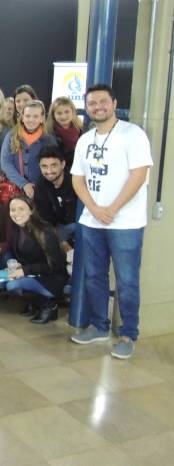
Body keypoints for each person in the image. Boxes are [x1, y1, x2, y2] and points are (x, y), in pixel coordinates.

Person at [69, 84, 152, 358]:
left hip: (125, 223)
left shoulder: (133, 134)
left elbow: (138, 176)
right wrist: (95, 208)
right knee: (94, 276)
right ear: (86, 107)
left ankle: (128, 334)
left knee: (127, 280)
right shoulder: (85, 139)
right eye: (92, 103)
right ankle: (99, 326)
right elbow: (78, 179)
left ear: (114, 104)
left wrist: (113, 209)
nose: (98, 107)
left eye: (103, 101)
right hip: (92, 221)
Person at [4, 195, 68, 324]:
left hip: (51, 278)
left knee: (13, 286)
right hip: (33, 273)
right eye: (13, 209)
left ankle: (49, 306)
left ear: (31, 210)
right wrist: (19, 266)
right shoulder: (16, 230)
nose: (16, 213)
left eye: (21, 209)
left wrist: (24, 270)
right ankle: (34, 304)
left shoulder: (45, 230)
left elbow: (54, 265)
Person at [0, 100, 58, 199]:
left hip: (41, 191)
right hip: (16, 190)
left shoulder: (49, 140)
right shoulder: (11, 136)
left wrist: (37, 186)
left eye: (35, 116)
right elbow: (6, 163)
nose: (31, 120)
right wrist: (23, 184)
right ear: (22, 118)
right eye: (27, 116)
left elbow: (53, 166)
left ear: (42, 118)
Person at [35, 145, 77, 252]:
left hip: (80, 224)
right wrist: (58, 241)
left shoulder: (75, 180)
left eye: (53, 165)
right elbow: (45, 219)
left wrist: (70, 242)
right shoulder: (40, 185)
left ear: (62, 164)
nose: (49, 171)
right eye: (44, 166)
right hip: (59, 227)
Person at [46, 96, 82, 163]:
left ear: (72, 112)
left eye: (67, 112)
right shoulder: (48, 134)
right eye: (59, 113)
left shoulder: (82, 130)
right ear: (53, 115)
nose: (63, 116)